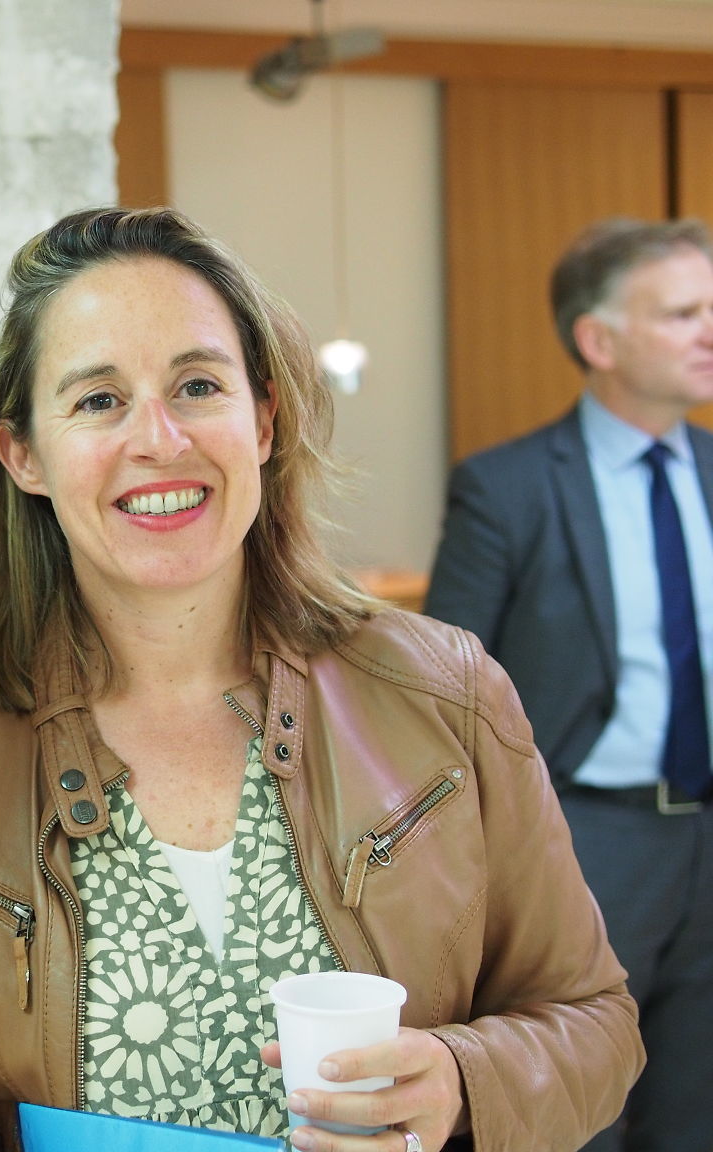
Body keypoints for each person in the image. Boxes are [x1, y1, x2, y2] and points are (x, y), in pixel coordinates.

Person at [0, 207, 642, 1152]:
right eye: (98, 400)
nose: (159, 440)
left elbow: (595, 1021)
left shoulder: (447, 694)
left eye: (197, 386)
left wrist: (461, 1081)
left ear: (263, 420)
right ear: (23, 454)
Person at [425, 217, 713, 1152]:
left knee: (697, 1104)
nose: (709, 331)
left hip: (709, 832)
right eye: (683, 314)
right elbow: (443, 694)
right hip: (585, 835)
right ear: (599, 340)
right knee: (585, 1110)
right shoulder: (505, 489)